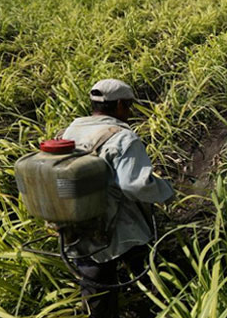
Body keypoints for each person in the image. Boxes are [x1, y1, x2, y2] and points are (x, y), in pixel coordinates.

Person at [60, 79, 175, 318]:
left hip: (74, 221)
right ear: (121, 104)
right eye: (129, 106)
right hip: (114, 225)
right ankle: (155, 302)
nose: (130, 112)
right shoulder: (122, 137)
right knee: (143, 259)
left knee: (94, 285)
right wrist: (166, 190)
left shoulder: (70, 130)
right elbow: (136, 186)